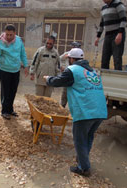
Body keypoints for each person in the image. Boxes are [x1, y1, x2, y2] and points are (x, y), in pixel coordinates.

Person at [44, 48, 107, 177]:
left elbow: (57, 82)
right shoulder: (93, 72)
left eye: (69, 59)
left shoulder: (72, 70)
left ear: (72, 59)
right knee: (88, 137)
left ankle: (84, 168)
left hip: (85, 112)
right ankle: (83, 160)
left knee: (79, 140)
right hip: (100, 111)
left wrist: (48, 78)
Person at [0, 24, 29, 120]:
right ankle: (4, 111)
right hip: (4, 70)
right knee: (5, 91)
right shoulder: (0, 42)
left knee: (13, 91)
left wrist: (26, 66)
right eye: (7, 34)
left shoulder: (19, 41)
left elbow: (22, 53)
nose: (8, 37)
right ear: (5, 33)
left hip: (15, 70)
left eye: (11, 35)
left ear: (14, 34)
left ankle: (10, 109)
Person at [95, 0, 127, 71]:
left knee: (117, 58)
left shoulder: (118, 4)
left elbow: (124, 20)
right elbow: (102, 23)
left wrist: (120, 33)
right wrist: (98, 37)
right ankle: (104, 78)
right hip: (107, 35)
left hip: (117, 33)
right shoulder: (103, 8)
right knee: (104, 59)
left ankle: (118, 78)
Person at [59, 41, 81, 107]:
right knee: (64, 94)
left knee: (73, 95)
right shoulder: (67, 54)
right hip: (67, 76)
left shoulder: (79, 55)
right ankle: (62, 107)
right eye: (73, 47)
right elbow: (58, 59)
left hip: (74, 77)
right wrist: (61, 66)